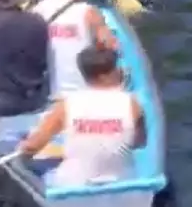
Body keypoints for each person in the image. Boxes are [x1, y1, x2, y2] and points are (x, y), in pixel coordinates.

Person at [17, 46, 147, 187]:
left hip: (73, 184)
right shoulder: (133, 104)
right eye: (116, 69)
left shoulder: (65, 106)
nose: (121, 72)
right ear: (103, 76)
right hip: (120, 181)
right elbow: (139, 143)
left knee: (35, 164)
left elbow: (34, 146)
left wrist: (23, 151)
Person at [29, 0, 119, 95]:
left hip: (48, 92)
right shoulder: (89, 12)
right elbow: (112, 46)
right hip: (83, 91)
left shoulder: (37, 10)